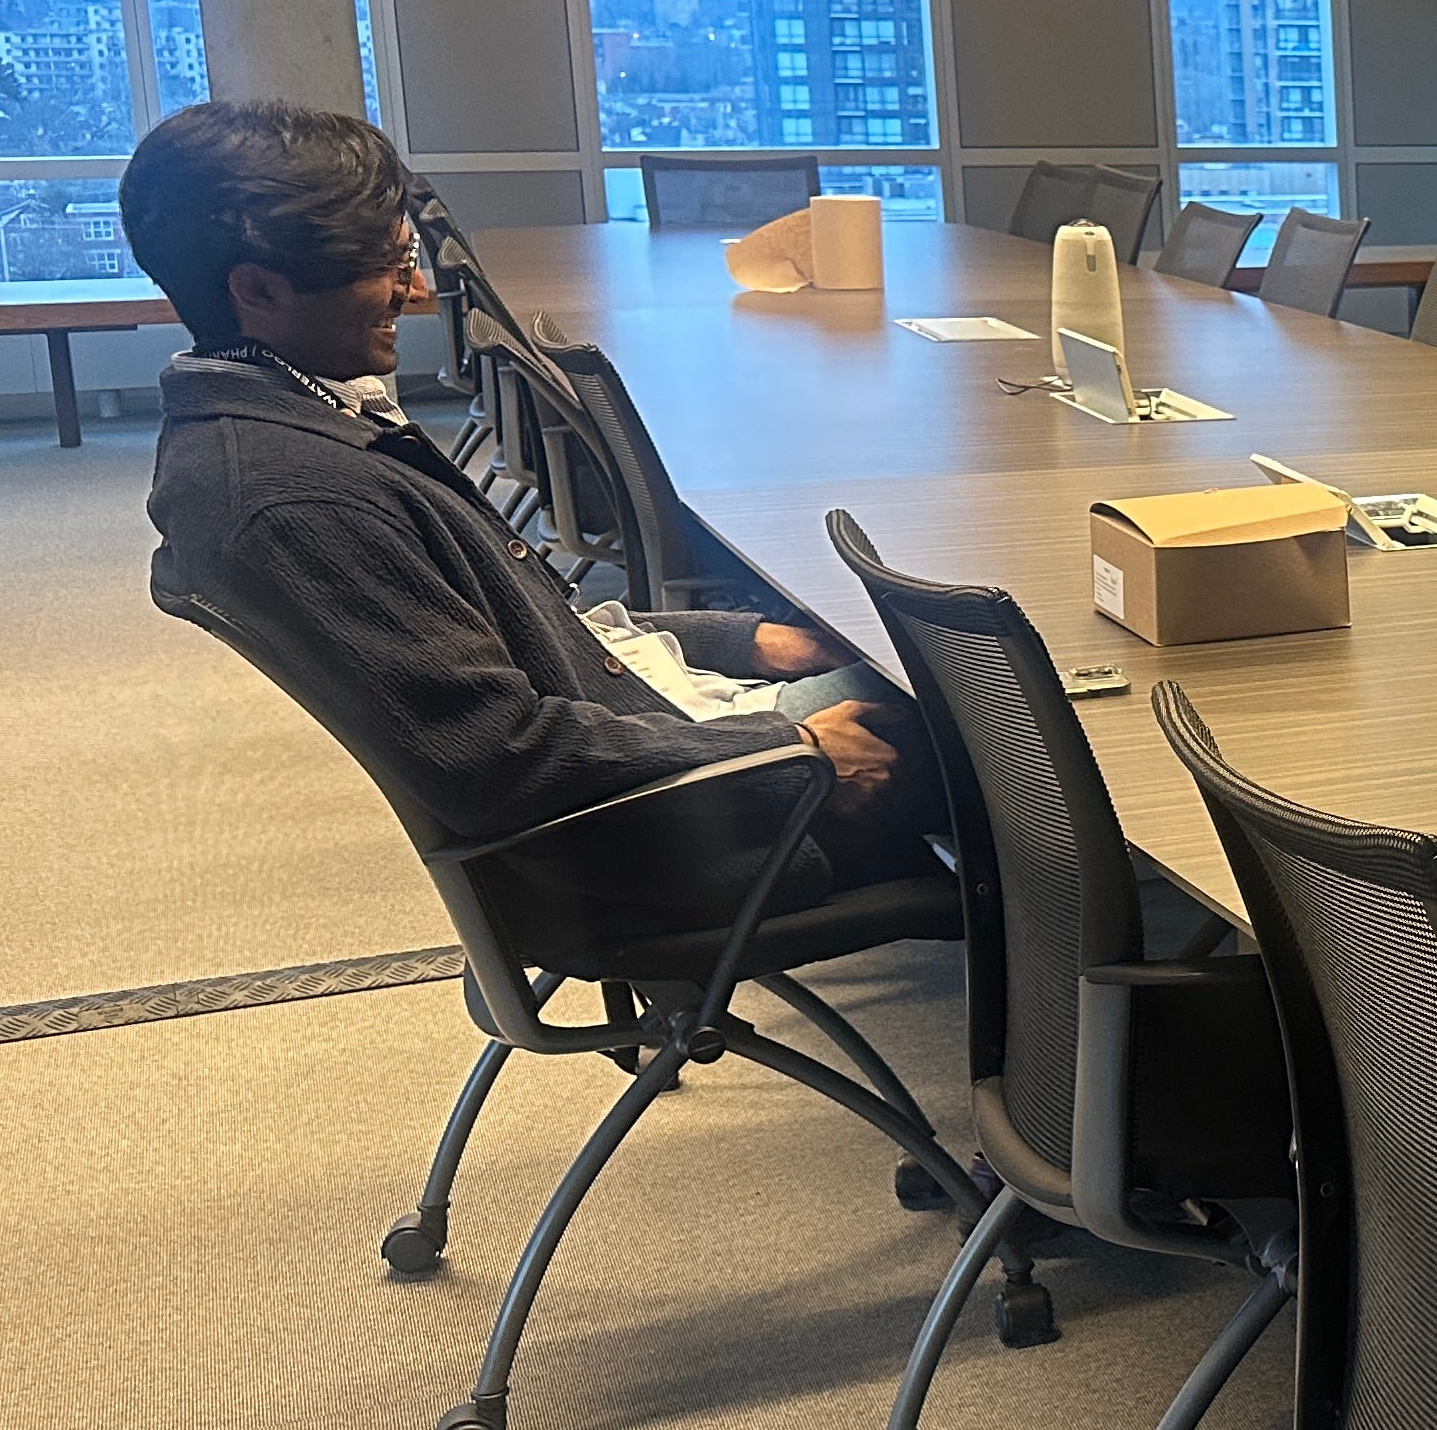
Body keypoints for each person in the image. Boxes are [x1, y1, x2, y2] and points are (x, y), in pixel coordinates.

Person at [125, 99, 935, 924]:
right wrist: (795, 751)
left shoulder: (306, 418)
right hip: (673, 833)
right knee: (998, 727)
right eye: (391, 266)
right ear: (257, 289)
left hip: (666, 738)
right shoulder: (289, 501)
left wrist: (743, 640)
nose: (414, 292)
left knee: (925, 666)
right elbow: (500, 758)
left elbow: (532, 643)